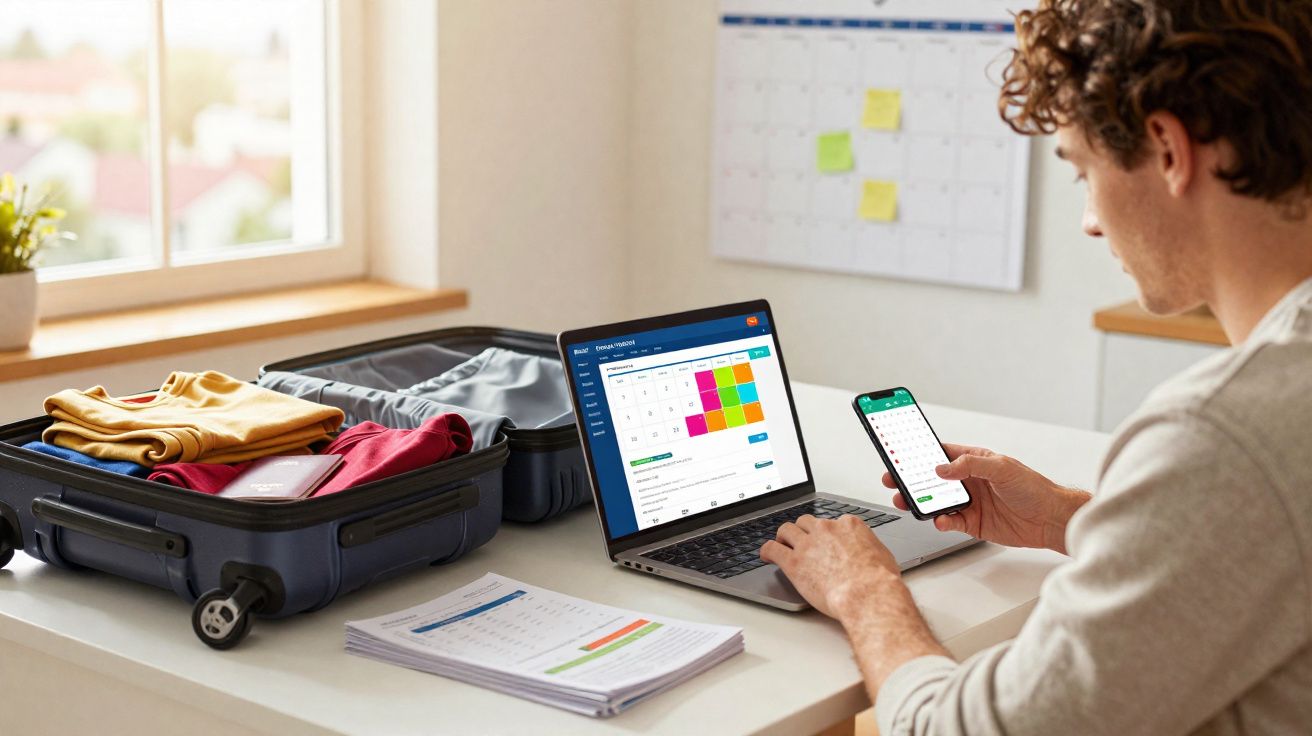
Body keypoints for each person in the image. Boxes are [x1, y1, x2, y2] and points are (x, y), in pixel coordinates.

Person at [760, 1, 1312, 733]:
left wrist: (864, 589)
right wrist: (1069, 518)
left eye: (1084, 172)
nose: (1090, 219)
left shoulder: (1224, 432)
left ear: (1169, 149)